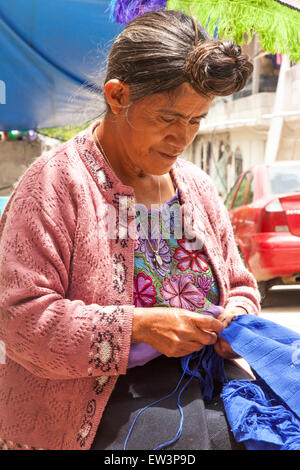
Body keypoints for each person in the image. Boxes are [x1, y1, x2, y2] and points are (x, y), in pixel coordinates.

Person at [0, 10, 260, 451]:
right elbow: (21, 320)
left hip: (207, 387)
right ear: (118, 96)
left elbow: (239, 284)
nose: (182, 139)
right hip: (98, 410)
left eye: (195, 121)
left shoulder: (195, 185)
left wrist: (238, 316)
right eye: (168, 118)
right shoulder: (55, 183)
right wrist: (137, 327)